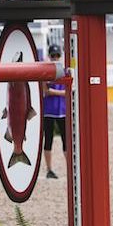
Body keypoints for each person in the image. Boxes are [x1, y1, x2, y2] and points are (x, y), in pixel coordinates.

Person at [42, 44, 67, 179]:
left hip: (62, 111)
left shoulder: (65, 71)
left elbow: (67, 92)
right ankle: (49, 169)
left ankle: (70, 168)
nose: (55, 58)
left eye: (57, 56)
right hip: (49, 111)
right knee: (48, 140)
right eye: (53, 56)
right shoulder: (45, 72)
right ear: (49, 56)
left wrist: (52, 92)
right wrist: (59, 92)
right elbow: (44, 90)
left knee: (66, 141)